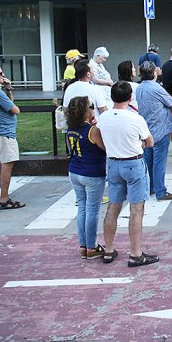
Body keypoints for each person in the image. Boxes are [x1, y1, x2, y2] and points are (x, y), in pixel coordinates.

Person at [97, 81, 158, 267]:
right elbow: (150, 141)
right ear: (130, 97)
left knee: (113, 208)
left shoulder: (104, 117)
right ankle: (135, 253)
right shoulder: (135, 118)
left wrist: (108, 148)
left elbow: (98, 136)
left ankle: (108, 249)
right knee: (136, 210)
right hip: (133, 162)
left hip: (113, 163)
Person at [65, 96, 107, 259]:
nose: (93, 108)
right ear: (86, 111)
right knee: (92, 211)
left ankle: (83, 245)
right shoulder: (93, 131)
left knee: (82, 208)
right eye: (91, 106)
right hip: (92, 173)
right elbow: (105, 148)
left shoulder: (70, 129)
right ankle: (92, 246)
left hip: (75, 171)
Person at [135, 62, 172, 201]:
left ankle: (151, 187)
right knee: (159, 162)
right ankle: (161, 191)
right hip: (160, 128)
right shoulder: (156, 87)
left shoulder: (139, 88)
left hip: (146, 129)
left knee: (148, 161)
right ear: (153, 73)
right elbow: (171, 102)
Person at [0, 64, 22, 210]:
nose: (3, 75)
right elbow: (15, 109)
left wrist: (8, 89)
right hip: (5, 133)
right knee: (7, 164)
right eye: (0, 73)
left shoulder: (1, 92)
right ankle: (4, 198)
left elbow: (10, 104)